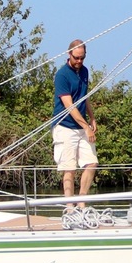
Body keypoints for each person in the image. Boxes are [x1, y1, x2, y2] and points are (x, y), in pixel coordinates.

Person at [52, 39, 97, 201]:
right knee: (69, 168)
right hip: (65, 126)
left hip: (81, 125)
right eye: (76, 58)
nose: (79, 61)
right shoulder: (62, 75)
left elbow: (84, 97)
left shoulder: (84, 71)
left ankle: (81, 203)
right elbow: (69, 105)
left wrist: (92, 118)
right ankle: (69, 207)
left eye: (82, 58)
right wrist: (86, 127)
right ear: (69, 54)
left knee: (92, 163)